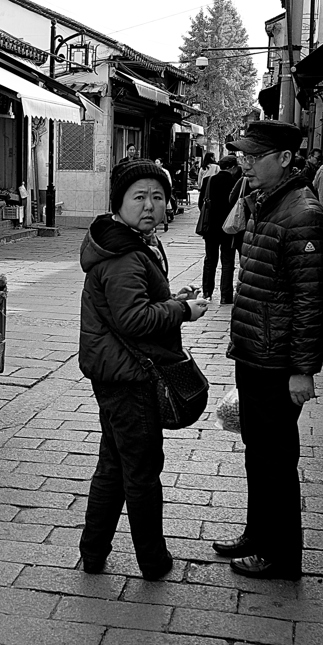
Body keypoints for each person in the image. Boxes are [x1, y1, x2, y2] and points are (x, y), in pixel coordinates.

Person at [78, 158, 210, 580]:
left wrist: (170, 297)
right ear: (119, 202)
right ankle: (153, 562)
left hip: (118, 371)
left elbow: (132, 306)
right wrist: (182, 310)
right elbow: (133, 320)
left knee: (115, 466)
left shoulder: (131, 242)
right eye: (140, 197)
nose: (150, 205)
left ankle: (93, 553)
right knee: (141, 471)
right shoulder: (123, 254)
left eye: (158, 196)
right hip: (129, 377)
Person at [217, 120, 323, 580]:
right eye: (243, 154)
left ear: (284, 159)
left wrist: (303, 370)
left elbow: (311, 301)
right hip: (254, 351)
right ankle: (257, 534)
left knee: (276, 457)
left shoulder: (303, 213)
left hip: (277, 359)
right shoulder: (267, 202)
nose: (245, 162)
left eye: (254, 155)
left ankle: (280, 555)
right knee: (257, 450)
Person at [197, 155, 240, 304]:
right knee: (227, 261)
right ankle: (225, 295)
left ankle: (207, 292)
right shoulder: (236, 183)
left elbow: (200, 203)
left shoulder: (208, 181)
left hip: (211, 227)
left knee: (210, 260)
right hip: (229, 228)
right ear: (232, 167)